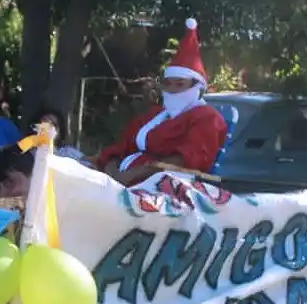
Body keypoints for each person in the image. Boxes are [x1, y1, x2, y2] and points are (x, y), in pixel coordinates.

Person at [94, 19, 227, 185]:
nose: (172, 90)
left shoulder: (207, 118)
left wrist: (132, 174)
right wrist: (110, 169)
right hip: (121, 179)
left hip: (160, 187)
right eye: (168, 84)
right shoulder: (156, 115)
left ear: (197, 88)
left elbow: (186, 160)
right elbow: (122, 146)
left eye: (180, 84)